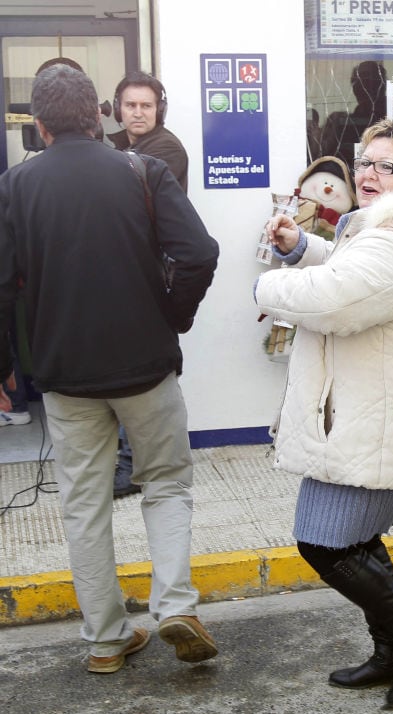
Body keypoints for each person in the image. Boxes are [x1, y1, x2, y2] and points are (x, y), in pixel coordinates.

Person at [0, 64, 219, 673]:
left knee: (83, 501)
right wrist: (173, 315)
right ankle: (175, 603)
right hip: (146, 366)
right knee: (167, 482)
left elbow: (0, 288)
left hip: (65, 375)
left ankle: (105, 640)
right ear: (99, 117)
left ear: (39, 126)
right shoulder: (141, 170)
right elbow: (198, 252)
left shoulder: (14, 186)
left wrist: (4, 369)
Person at [254, 119, 393, 709]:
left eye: (388, 167)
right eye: (366, 161)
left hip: (377, 418)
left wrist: (268, 287)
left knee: (324, 545)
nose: (370, 174)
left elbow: (335, 298)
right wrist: (304, 249)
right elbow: (353, 268)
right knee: (357, 536)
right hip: (375, 412)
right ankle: (392, 650)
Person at [109, 71, 189, 497]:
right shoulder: (124, 146)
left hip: (158, 276)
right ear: (117, 108)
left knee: (144, 373)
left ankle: (133, 464)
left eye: (146, 105)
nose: (138, 113)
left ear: (159, 109)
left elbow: (120, 189)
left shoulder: (164, 149)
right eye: (130, 105)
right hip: (136, 272)